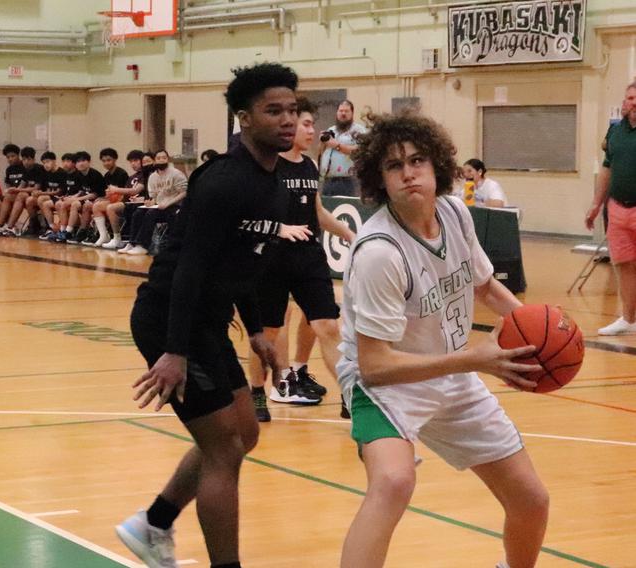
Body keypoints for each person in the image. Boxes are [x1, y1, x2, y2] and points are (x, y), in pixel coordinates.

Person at [336, 111, 549, 568]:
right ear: (380, 178)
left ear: (438, 167)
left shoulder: (454, 213)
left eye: (417, 160)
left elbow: (485, 286)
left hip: (451, 371)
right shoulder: (378, 252)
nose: (409, 172)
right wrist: (476, 358)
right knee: (393, 483)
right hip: (386, 386)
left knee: (531, 499)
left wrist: (538, 328)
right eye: (394, 166)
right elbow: (376, 366)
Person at [115, 62, 304, 568]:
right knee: (223, 450)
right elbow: (190, 270)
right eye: (274, 111)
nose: (288, 119)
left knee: (244, 434)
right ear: (244, 118)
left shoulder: (275, 182)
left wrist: (259, 332)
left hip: (208, 321)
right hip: (169, 318)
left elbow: (241, 263)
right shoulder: (223, 181)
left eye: (292, 109)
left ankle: (153, 522)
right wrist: (174, 352)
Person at [245, 96, 356, 422]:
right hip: (271, 260)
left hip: (308, 258)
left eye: (311, 124)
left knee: (328, 326)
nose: (312, 131)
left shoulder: (309, 165)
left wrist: (350, 235)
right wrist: (279, 228)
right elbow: (248, 215)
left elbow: (318, 212)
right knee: (268, 332)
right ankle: (256, 392)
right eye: (306, 125)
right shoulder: (266, 166)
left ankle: (350, 397)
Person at [586, 82, 636, 335]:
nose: (634, 102)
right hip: (617, 208)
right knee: (624, 263)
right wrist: (596, 204)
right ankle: (628, 319)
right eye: (630, 97)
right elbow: (607, 168)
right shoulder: (615, 132)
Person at [120, 150, 187, 256]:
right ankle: (132, 243)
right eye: (159, 158)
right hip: (159, 206)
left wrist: (168, 203)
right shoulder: (153, 177)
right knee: (138, 212)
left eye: (164, 158)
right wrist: (150, 202)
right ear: (155, 160)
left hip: (174, 206)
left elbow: (184, 193)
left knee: (151, 214)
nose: (161, 160)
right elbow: (154, 196)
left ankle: (143, 245)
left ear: (167, 159)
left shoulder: (176, 174)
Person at [319, 100, 366, 197]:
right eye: (340, 111)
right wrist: (322, 142)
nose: (343, 113)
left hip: (349, 181)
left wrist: (337, 145)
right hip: (328, 180)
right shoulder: (331, 130)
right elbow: (322, 152)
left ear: (352, 113)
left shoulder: (359, 131)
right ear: (337, 113)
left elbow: (361, 151)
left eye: (346, 111)